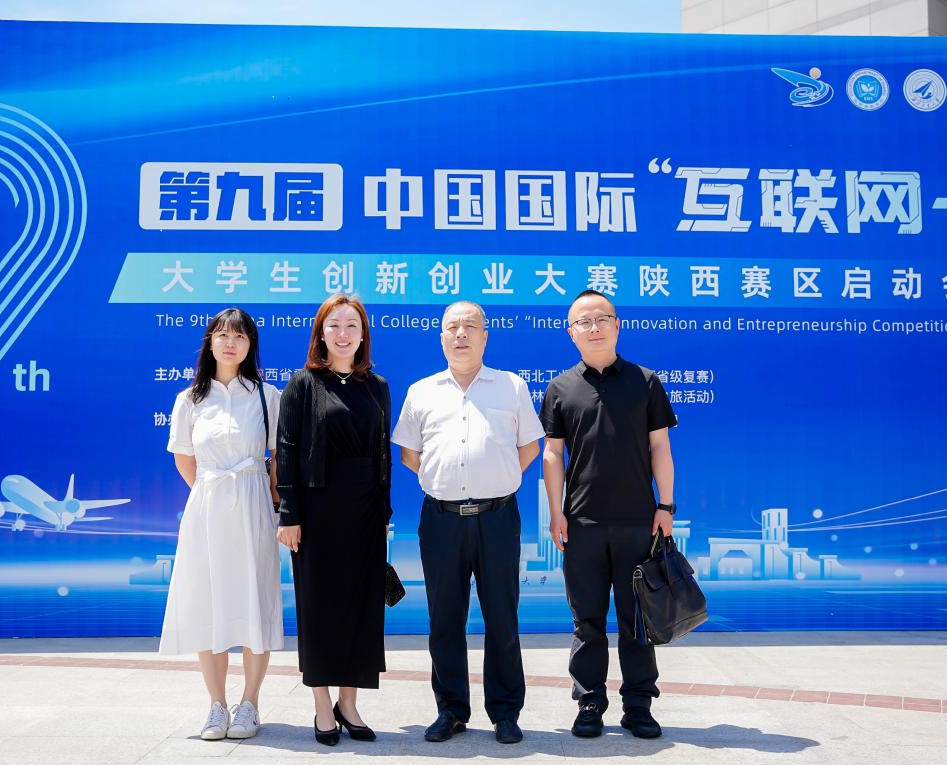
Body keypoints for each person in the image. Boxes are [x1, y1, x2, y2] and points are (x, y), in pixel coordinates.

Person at [392, 300, 543, 745]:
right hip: (441, 520)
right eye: (452, 327)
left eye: (470, 326)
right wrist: (446, 482)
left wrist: (496, 478)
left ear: (485, 336)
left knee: (502, 617)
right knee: (444, 619)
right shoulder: (422, 391)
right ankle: (451, 709)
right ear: (441, 337)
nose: (460, 334)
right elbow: (410, 454)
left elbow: (529, 447)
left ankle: (505, 712)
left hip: (498, 517)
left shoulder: (511, 386)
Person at [540, 290, 678, 740]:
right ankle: (590, 703)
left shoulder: (646, 381)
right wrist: (556, 513)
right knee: (587, 622)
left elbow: (660, 447)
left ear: (618, 325)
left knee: (638, 619)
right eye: (584, 321)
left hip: (639, 522)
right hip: (581, 525)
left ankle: (638, 705)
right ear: (571, 332)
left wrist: (665, 504)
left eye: (602, 318)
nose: (594, 327)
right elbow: (552, 455)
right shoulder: (560, 388)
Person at [161, 308, 283, 741]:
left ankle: (250, 702)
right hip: (208, 506)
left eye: (240, 336)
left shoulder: (268, 396)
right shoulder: (190, 399)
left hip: (254, 506)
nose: (231, 343)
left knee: (255, 601)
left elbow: (277, 459)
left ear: (251, 345)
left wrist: (263, 498)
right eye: (223, 335)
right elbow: (185, 459)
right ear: (210, 342)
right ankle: (216, 705)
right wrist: (215, 491)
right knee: (208, 604)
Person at [275, 294, 392, 747]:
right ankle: (322, 703)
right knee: (319, 607)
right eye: (334, 325)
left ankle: (349, 702)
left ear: (363, 335)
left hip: (366, 514)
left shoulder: (377, 387)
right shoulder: (303, 384)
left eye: (352, 325)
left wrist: (383, 513)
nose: (343, 334)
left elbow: (382, 456)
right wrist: (289, 513)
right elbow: (287, 449)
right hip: (317, 512)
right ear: (321, 334)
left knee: (362, 607)